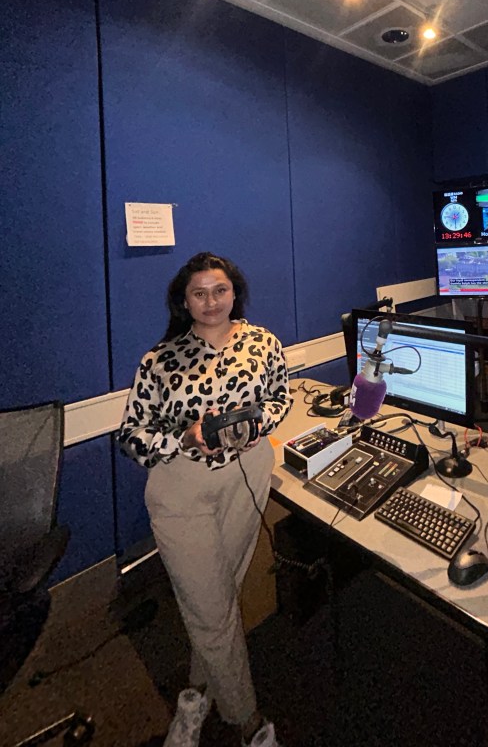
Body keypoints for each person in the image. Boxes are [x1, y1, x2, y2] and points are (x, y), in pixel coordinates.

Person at [117, 252, 291, 747]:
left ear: (234, 293)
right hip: (181, 487)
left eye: (220, 290)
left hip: (247, 476)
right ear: (184, 300)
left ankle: (195, 694)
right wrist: (185, 438)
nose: (211, 301)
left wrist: (257, 423)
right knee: (210, 608)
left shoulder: (263, 343)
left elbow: (281, 397)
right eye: (199, 293)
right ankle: (248, 722)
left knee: (217, 601)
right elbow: (131, 436)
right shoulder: (160, 359)